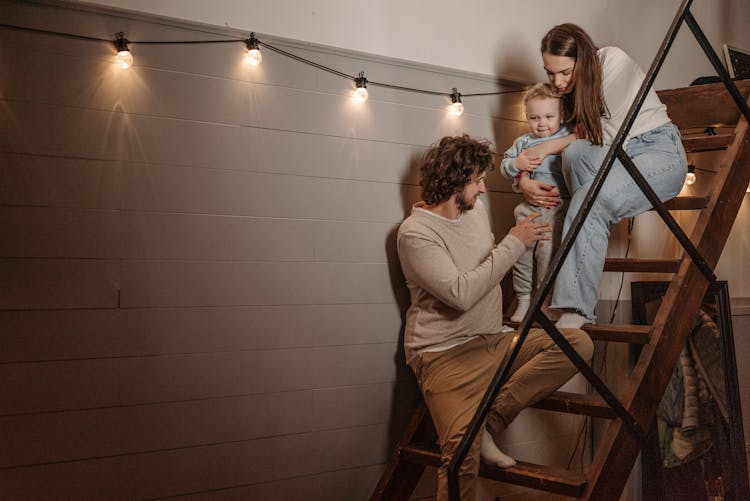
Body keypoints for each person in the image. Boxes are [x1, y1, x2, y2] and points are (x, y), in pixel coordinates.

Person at [397, 134, 594, 501]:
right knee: (459, 461)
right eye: (477, 180)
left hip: (496, 339)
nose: (484, 189)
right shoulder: (415, 233)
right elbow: (462, 294)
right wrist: (515, 241)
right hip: (443, 357)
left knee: (577, 344)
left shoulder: (475, 212)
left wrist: (525, 243)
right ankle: (474, 436)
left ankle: (488, 423)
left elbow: (490, 268)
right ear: (454, 182)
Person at [516, 23, 688, 329]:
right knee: (574, 154)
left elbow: (604, 138)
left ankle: (576, 307)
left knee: (586, 195)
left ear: (582, 58)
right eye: (550, 72)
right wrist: (525, 181)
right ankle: (582, 233)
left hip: (659, 152)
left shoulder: (613, 63)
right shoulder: (571, 89)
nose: (556, 81)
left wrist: (551, 145)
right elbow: (579, 140)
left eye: (565, 72)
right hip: (621, 157)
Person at [500, 82, 572, 322]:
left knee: (546, 252)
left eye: (549, 116)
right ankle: (523, 300)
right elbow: (505, 167)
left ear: (561, 115)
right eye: (534, 117)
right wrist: (517, 167)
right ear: (527, 117)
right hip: (529, 209)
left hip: (556, 208)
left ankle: (544, 299)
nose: (542, 123)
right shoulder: (523, 143)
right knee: (521, 250)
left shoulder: (568, 136)